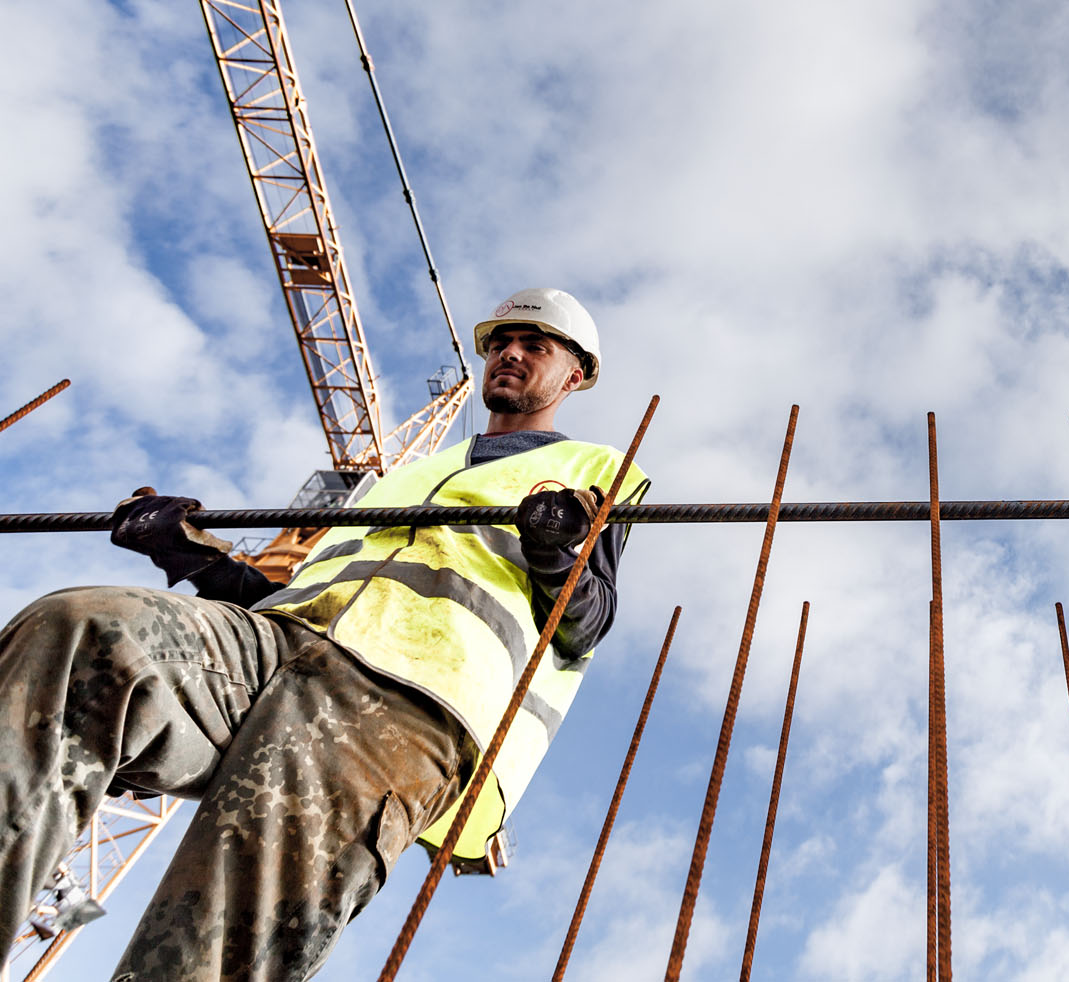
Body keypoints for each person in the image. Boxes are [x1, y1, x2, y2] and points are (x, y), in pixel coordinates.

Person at [0, 287, 648, 982]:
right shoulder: (398, 477)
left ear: (575, 374)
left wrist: (555, 550)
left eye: (535, 345)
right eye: (499, 343)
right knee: (83, 632)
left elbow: (587, 622)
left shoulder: (592, 471)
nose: (509, 355)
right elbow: (298, 591)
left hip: (400, 710)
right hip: (273, 653)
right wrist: (186, 552)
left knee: (202, 953)